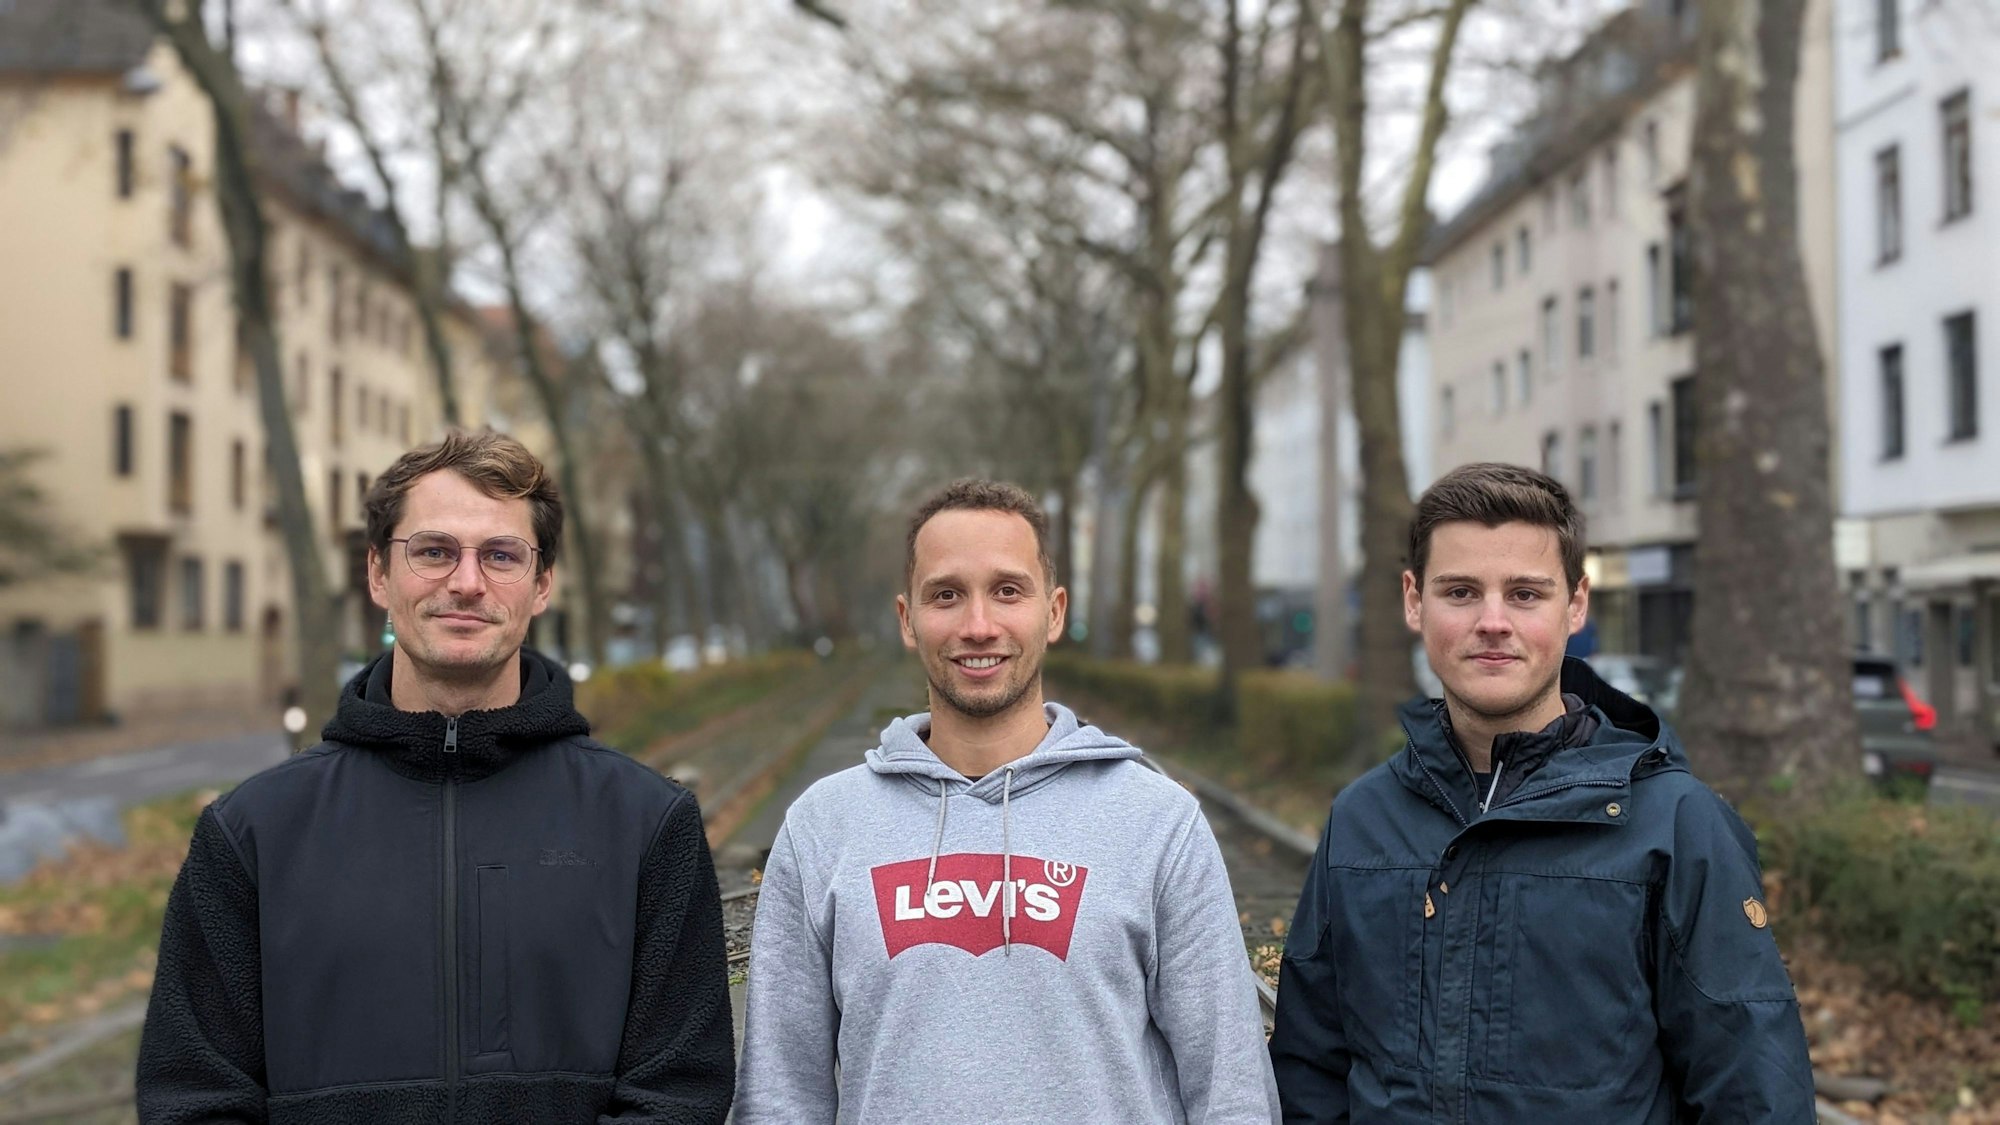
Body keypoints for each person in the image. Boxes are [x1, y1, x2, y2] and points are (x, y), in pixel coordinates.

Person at [137, 430, 734, 1124]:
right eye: (433, 550)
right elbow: (195, 1097)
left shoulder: (646, 825)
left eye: (501, 555)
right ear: (378, 574)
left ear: (542, 584)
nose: (467, 582)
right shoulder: (253, 833)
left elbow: (678, 1093)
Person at [1269, 462, 1816, 1123]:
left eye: (1525, 594)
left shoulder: (1675, 825)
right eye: (1461, 591)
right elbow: (1310, 1076)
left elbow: (1754, 1094)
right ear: (1414, 600)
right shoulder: (1362, 820)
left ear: (1576, 604)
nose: (1493, 621)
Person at [735, 479, 1280, 1123]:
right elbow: (780, 1097)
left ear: (1054, 612)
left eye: (1008, 591)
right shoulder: (823, 827)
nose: (978, 626)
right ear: (908, 619)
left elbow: (1232, 1092)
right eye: (946, 595)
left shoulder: (1159, 822)